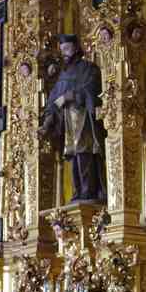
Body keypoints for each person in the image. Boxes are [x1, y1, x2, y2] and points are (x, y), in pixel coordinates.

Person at [39, 34, 106, 203]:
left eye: (67, 49)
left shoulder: (88, 68)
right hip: (69, 122)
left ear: (76, 48)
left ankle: (88, 191)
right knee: (74, 158)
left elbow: (93, 88)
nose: (64, 54)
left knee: (85, 155)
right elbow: (54, 101)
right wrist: (47, 123)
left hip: (84, 121)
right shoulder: (63, 75)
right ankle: (79, 192)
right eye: (62, 51)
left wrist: (73, 95)